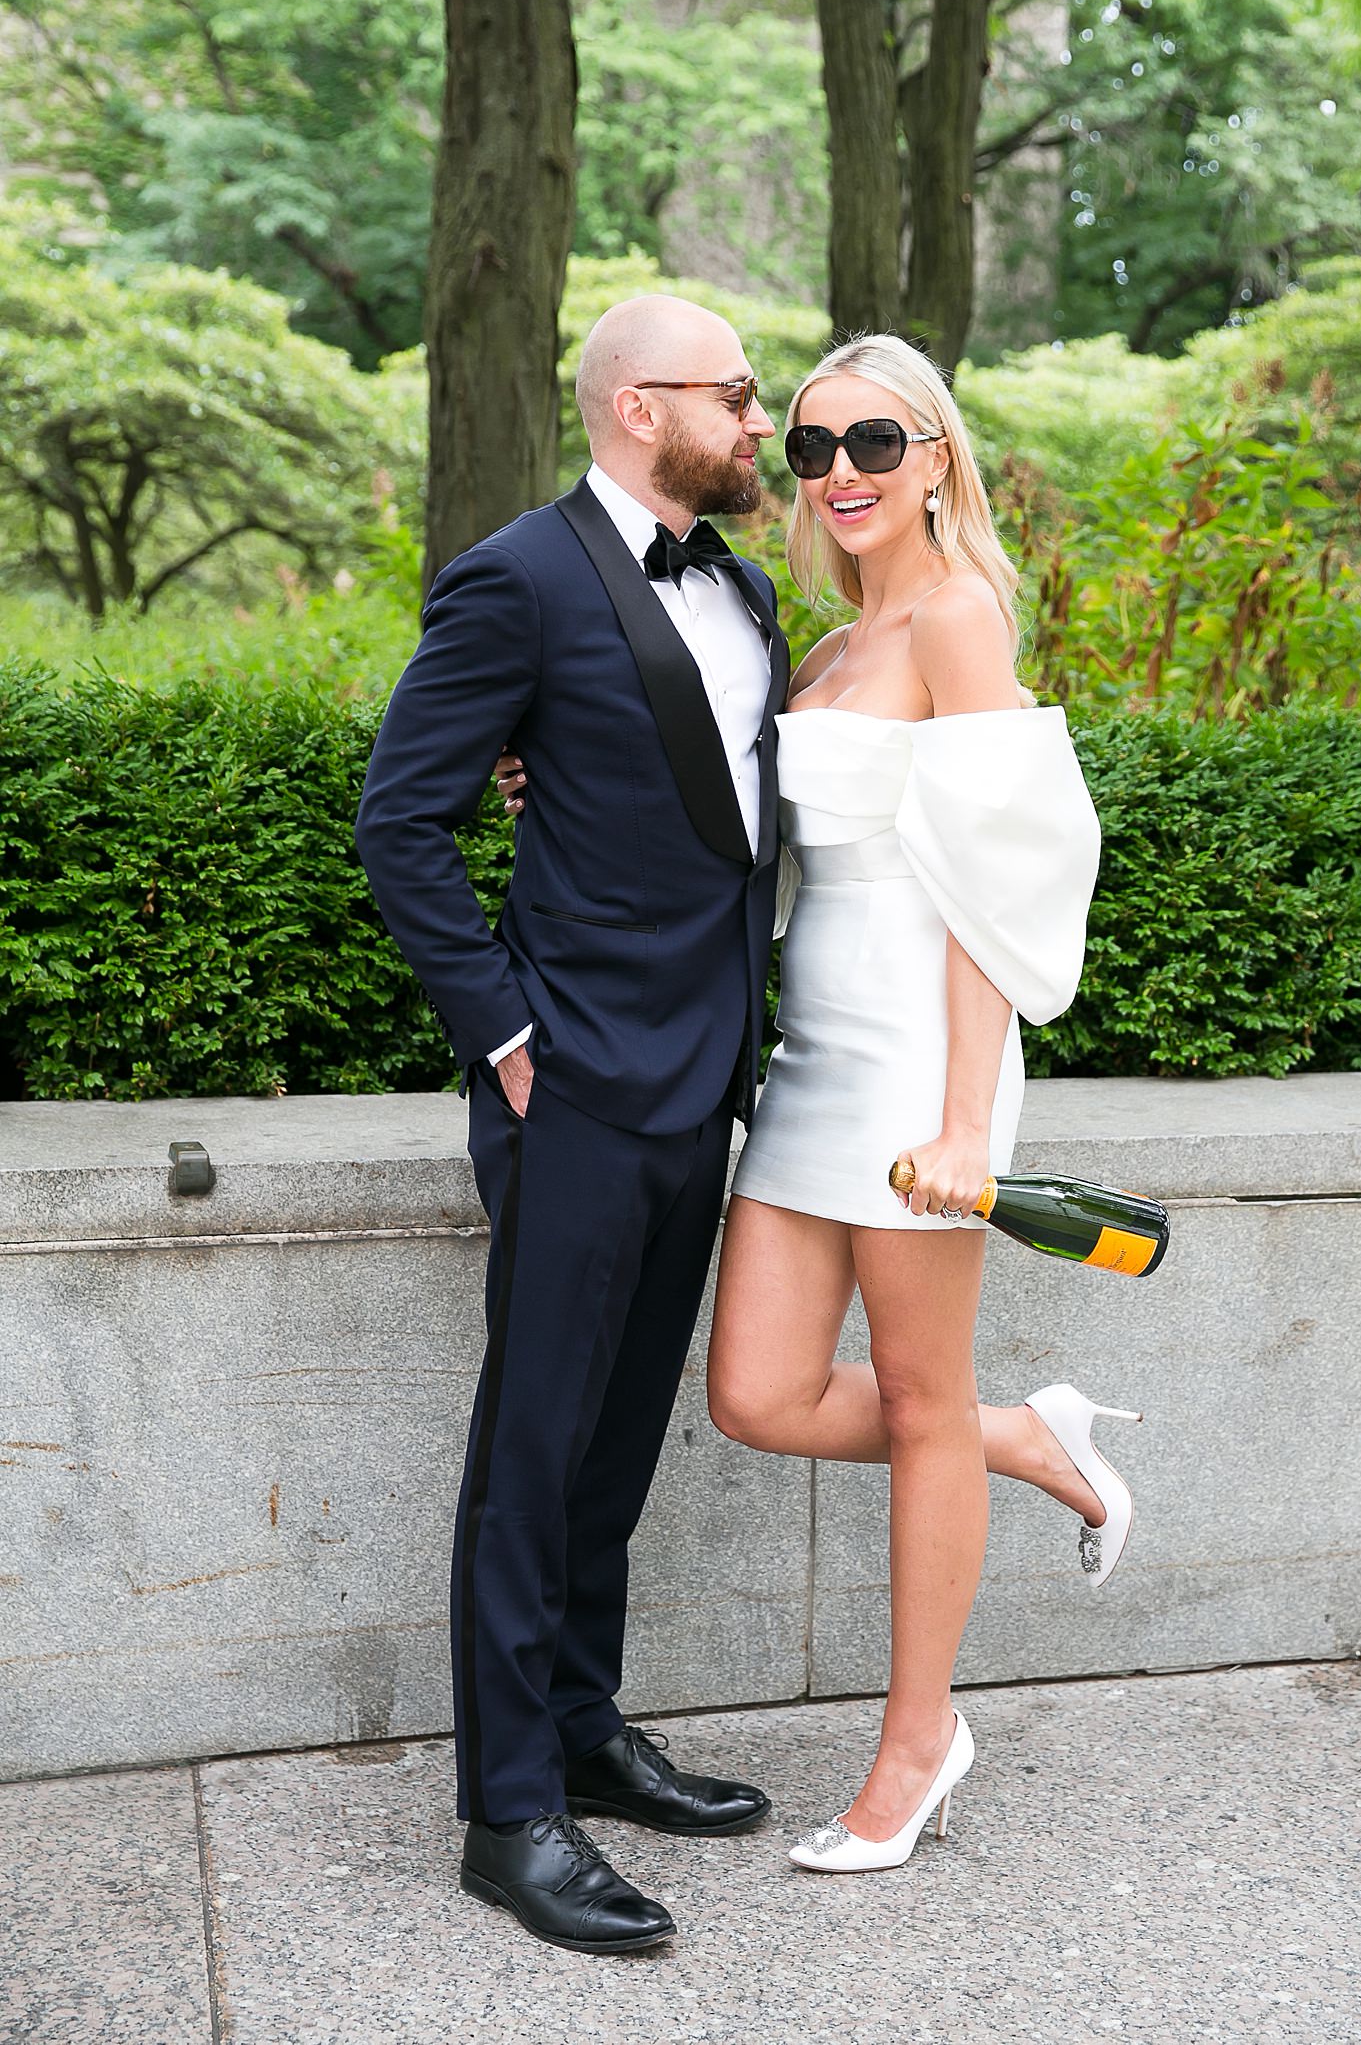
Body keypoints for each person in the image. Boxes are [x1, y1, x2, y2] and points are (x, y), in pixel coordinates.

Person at [355, 295, 791, 1954]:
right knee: (531, 1452)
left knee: (617, 1439)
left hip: (708, 1084)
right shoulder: (516, 577)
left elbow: (721, 819)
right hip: (579, 1089)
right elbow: (401, 823)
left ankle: (591, 1731)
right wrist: (508, 1033)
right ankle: (509, 1811)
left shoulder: (737, 583)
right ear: (635, 406)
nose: (761, 424)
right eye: (738, 397)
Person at [710, 332, 1137, 1874]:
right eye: (816, 446)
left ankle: (917, 1742)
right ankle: (1026, 1436)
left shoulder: (959, 623)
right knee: (753, 1391)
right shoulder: (823, 652)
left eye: (876, 444)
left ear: (937, 457)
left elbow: (990, 890)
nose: (840, 474)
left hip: (919, 1069)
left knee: (910, 1392)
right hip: (809, 1064)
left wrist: (968, 1123)